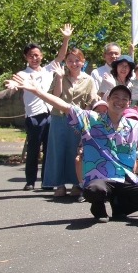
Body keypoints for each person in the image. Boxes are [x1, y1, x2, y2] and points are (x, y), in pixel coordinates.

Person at [7, 77, 138, 222]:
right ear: (108, 99)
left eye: (124, 98)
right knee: (95, 190)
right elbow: (65, 106)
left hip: (125, 178)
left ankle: (120, 207)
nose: (120, 101)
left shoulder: (135, 126)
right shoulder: (91, 119)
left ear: (129, 103)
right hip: (99, 178)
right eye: (115, 96)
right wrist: (37, 91)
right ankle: (98, 206)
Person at [8, 24, 73, 190]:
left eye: (37, 55)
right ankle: (30, 181)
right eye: (31, 56)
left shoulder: (47, 70)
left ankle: (46, 181)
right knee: (34, 149)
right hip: (34, 116)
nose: (34, 58)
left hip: (50, 114)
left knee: (49, 150)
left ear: (41, 56)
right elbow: (15, 82)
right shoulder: (24, 74)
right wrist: (12, 85)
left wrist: (66, 38)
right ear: (26, 58)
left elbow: (61, 56)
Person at [44, 47, 98, 197]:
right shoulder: (60, 76)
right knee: (57, 150)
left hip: (78, 119)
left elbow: (90, 102)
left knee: (76, 151)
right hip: (59, 117)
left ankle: (77, 184)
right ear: (66, 63)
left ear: (83, 62)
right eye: (70, 61)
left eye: (77, 60)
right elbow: (55, 98)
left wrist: (83, 122)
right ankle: (59, 185)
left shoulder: (89, 80)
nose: (74, 64)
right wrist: (60, 78)